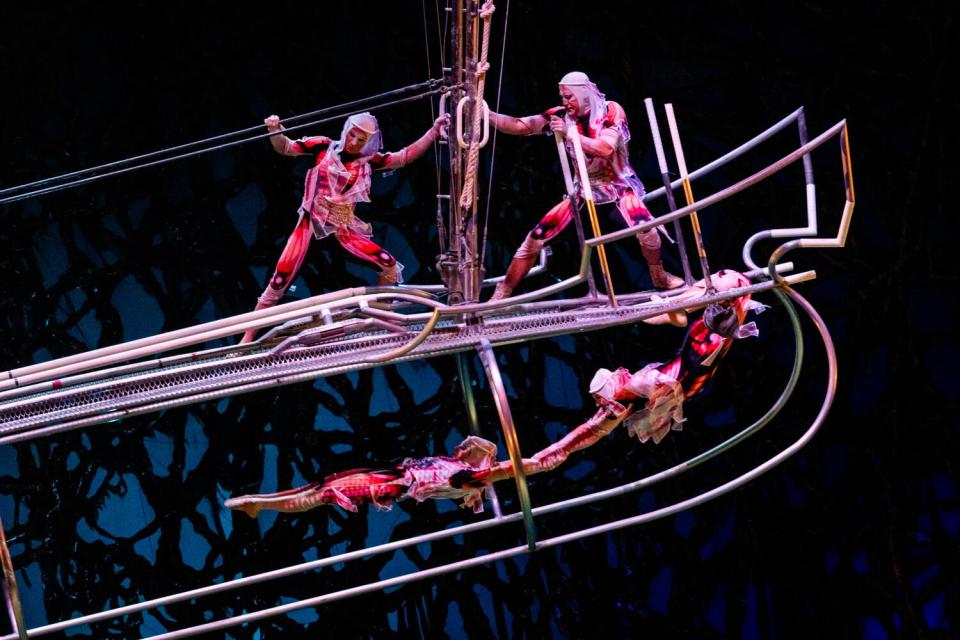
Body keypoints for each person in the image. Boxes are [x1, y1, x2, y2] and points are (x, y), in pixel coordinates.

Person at [240, 111, 448, 343]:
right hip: (311, 226)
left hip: (342, 231)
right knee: (279, 279)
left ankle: (383, 314)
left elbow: (403, 157)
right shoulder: (323, 147)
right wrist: (275, 130)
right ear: (346, 130)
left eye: (361, 140)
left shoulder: (368, 162)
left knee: (388, 264)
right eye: (352, 135)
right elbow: (286, 147)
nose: (353, 142)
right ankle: (247, 339)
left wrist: (433, 132)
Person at [487, 71, 683, 300]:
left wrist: (570, 134)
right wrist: (487, 115)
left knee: (647, 230)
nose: (565, 102)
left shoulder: (610, 111)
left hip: (617, 189)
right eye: (562, 97)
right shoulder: (561, 117)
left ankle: (659, 275)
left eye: (569, 97)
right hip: (584, 192)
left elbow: (605, 149)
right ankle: (503, 291)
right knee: (535, 237)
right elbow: (520, 125)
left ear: (583, 94)